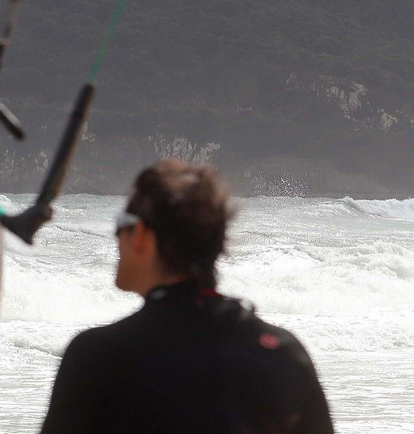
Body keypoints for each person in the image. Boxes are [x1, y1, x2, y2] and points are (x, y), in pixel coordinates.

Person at [39, 159, 333, 434]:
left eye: (120, 222)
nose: (116, 235)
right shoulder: (283, 355)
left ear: (141, 234)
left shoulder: (98, 358)